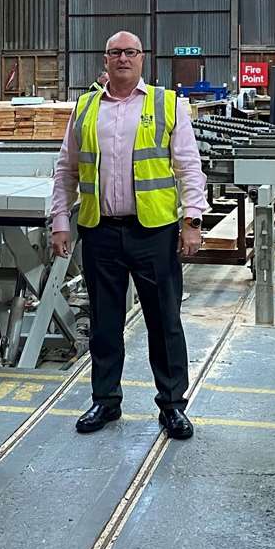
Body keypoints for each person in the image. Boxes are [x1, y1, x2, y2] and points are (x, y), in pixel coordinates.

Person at [50, 32, 206, 440]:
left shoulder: (166, 103)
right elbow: (65, 169)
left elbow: (190, 165)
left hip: (152, 232)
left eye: (130, 52)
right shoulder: (85, 108)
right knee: (104, 322)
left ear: (141, 59)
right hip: (100, 230)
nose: (123, 58)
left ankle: (172, 405)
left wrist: (192, 221)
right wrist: (60, 221)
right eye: (116, 52)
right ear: (105, 59)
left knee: (164, 321)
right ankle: (105, 400)